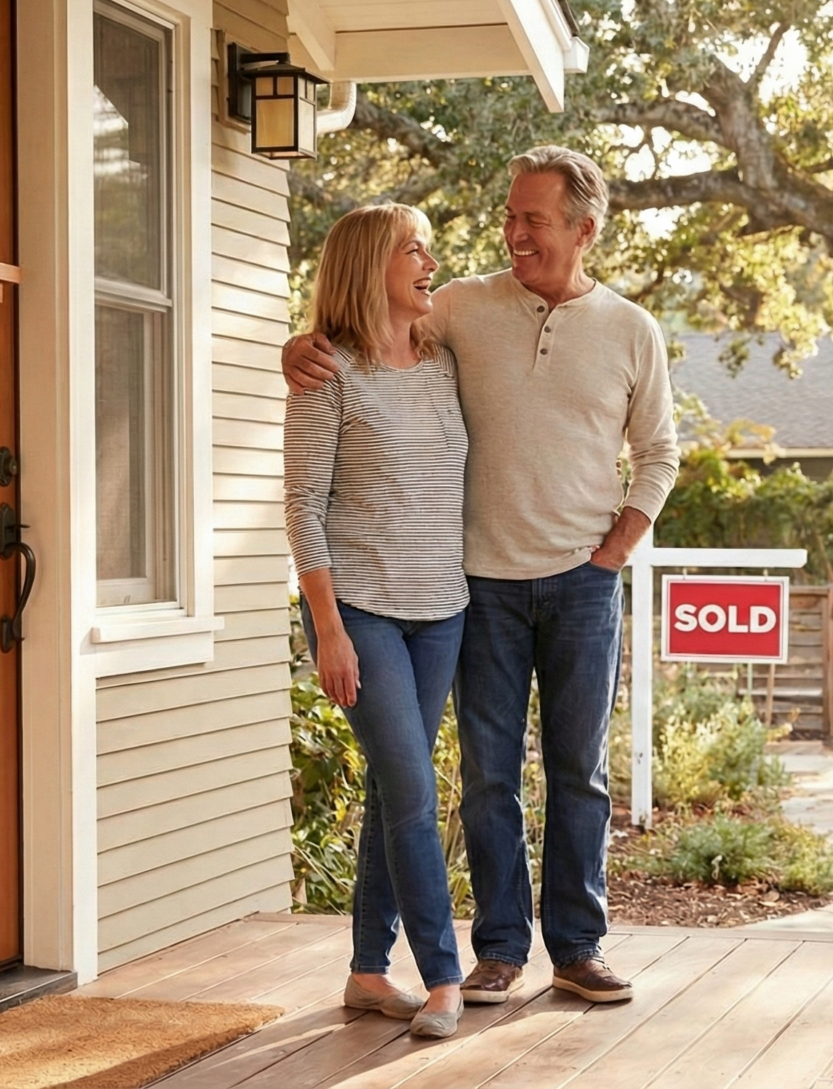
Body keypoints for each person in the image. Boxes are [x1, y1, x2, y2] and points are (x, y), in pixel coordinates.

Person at [284, 146, 680, 1005]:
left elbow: (660, 455)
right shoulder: (461, 307)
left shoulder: (630, 330)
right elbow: (360, 331)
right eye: (510, 216)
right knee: (486, 776)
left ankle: (578, 945)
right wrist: (297, 346)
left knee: (580, 772)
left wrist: (615, 547)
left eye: (533, 220)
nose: (514, 233)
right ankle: (498, 948)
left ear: (584, 229)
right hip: (479, 587)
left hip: (582, 584)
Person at [282, 203, 468, 1039]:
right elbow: (302, 507)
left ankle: (365, 968)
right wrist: (328, 628)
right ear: (370, 268)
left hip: (445, 609)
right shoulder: (328, 375)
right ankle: (441, 975)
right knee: (416, 793)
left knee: (397, 790)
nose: (430, 262)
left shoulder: (441, 357)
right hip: (363, 613)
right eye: (412, 250)